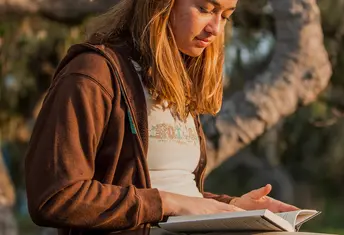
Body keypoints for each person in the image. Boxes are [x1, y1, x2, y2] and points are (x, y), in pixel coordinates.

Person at [24, 0, 298, 234]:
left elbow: (168, 189)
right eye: (205, 8)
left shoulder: (177, 82)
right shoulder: (94, 74)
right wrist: (167, 203)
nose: (215, 28)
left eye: (225, 16)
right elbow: (55, 197)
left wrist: (232, 207)